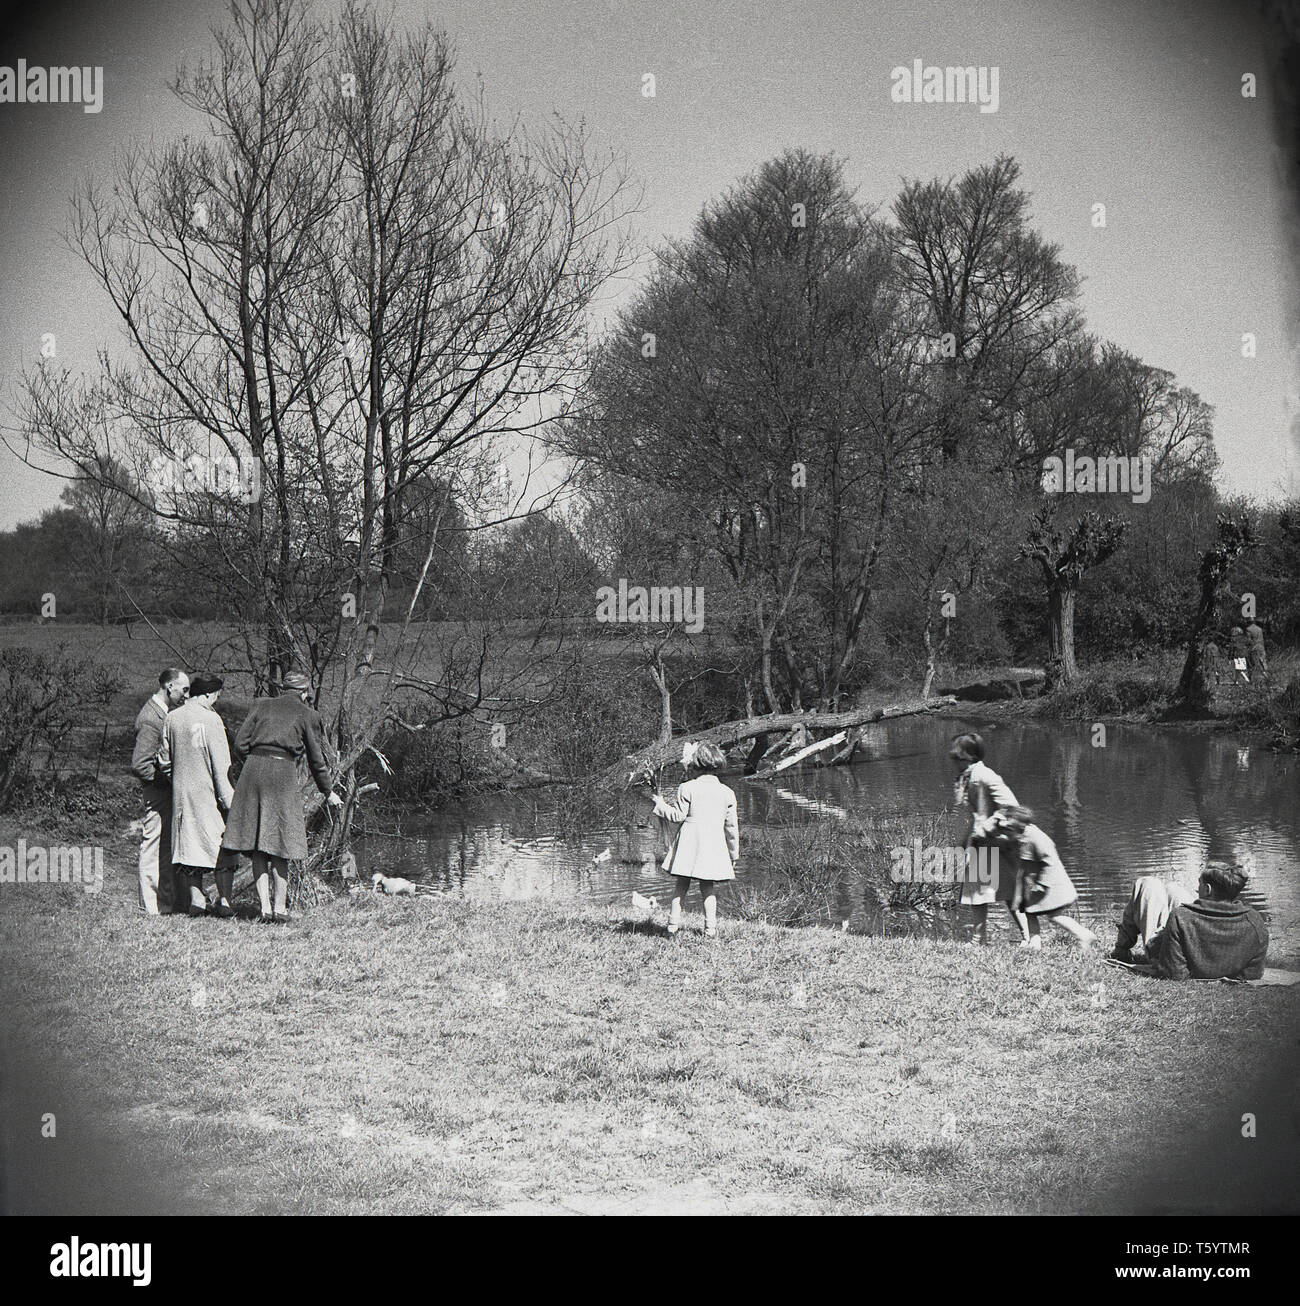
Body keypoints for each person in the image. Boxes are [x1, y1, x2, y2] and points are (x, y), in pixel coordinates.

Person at [221, 671, 342, 923]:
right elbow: (316, 759)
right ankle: (280, 909)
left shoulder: (261, 705)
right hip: (282, 774)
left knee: (258, 844)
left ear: (283, 688)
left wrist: (254, 763)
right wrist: (327, 790)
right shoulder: (308, 714)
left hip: (252, 772)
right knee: (280, 842)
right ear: (304, 692)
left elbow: (240, 745)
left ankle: (264, 908)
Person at [159, 675, 236, 918]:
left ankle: (197, 900)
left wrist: (179, 779)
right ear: (206, 695)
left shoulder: (172, 717)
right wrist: (229, 801)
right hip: (209, 795)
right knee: (221, 845)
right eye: (215, 696)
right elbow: (222, 765)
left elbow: (163, 761)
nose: (215, 701)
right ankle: (224, 901)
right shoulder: (212, 719)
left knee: (189, 846)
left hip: (182, 795)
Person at [1110, 862, 1268, 980]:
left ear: (1207, 889)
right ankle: (1121, 948)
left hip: (1178, 942)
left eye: (1199, 883)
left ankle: (1121, 949)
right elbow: (1254, 972)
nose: (1196, 888)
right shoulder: (1254, 919)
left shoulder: (1181, 916)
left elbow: (1174, 971)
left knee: (1146, 884)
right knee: (1172, 888)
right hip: (1202, 932)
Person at [650, 740, 739, 939]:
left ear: (695, 764)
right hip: (714, 845)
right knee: (708, 887)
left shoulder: (686, 788)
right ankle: (710, 930)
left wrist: (660, 804)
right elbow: (732, 828)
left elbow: (676, 817)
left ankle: (672, 927)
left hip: (689, 844)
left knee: (681, 885)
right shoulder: (728, 793)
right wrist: (733, 854)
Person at [985, 807, 1097, 950]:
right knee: (1030, 912)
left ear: (1016, 827)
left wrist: (1035, 887)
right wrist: (998, 820)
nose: (1006, 832)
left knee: (1054, 915)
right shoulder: (1030, 831)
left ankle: (1084, 935)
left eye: (1009, 829)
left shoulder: (1029, 840)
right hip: (1040, 883)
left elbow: (1037, 866)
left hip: (1047, 885)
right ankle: (1034, 944)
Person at [950, 732, 1026, 945]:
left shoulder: (984, 775)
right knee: (977, 891)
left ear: (970, 756)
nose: (953, 762)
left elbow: (1011, 806)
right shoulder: (967, 776)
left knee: (1010, 892)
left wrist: (987, 828)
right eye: (953, 757)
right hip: (982, 844)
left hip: (998, 842)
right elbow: (975, 814)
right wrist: (964, 841)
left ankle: (1029, 937)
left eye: (957, 757)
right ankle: (979, 938)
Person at [130, 668, 189, 915]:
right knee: (152, 845)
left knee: (165, 846)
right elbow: (140, 764)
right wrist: (166, 782)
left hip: (163, 791)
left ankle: (164, 902)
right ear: (169, 687)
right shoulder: (151, 719)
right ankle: (150, 905)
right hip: (157, 792)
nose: (186, 695)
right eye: (183, 689)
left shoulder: (163, 713)